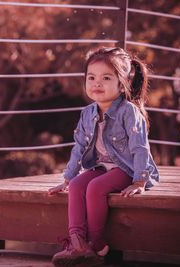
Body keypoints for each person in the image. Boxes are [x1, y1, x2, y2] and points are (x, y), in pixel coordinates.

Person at [48, 46, 159, 267]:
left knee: (96, 188)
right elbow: (79, 147)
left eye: (106, 78)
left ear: (122, 82)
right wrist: (68, 178)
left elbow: (140, 148)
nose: (97, 83)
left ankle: (96, 242)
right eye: (91, 77)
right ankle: (78, 243)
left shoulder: (129, 112)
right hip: (100, 166)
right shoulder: (87, 113)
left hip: (127, 168)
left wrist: (139, 180)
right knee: (79, 185)